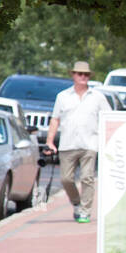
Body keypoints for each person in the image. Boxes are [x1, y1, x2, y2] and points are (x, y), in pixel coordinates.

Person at [44, 61, 111, 223]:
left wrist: (108, 142)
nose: (83, 77)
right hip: (68, 144)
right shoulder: (63, 96)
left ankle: (85, 211)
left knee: (87, 178)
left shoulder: (98, 97)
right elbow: (55, 120)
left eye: (86, 74)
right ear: (73, 75)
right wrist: (49, 141)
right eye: (80, 74)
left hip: (90, 144)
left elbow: (108, 118)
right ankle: (76, 203)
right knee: (66, 179)